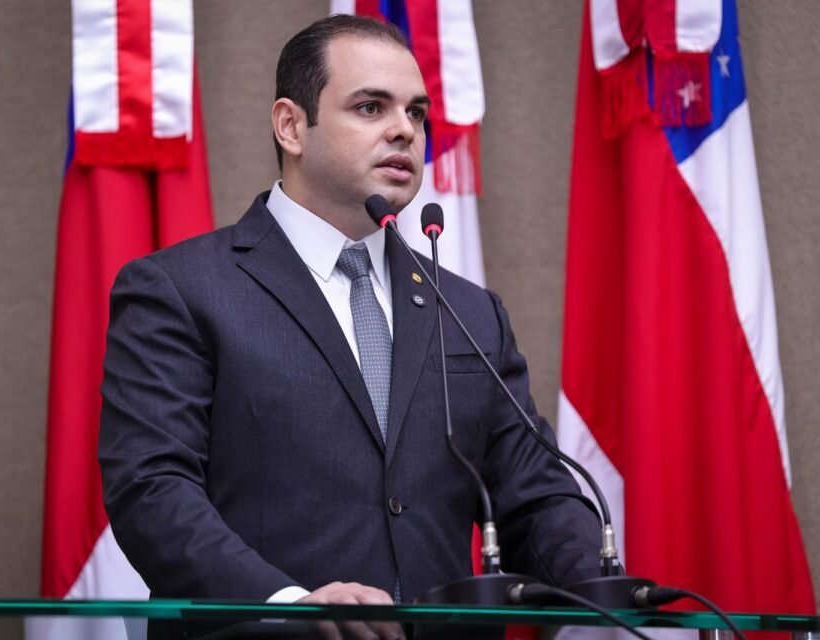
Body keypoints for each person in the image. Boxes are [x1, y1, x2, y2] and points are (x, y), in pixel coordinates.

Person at [99, 13, 602, 638]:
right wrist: (289, 604)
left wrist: (602, 592)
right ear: (291, 126)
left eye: (416, 113)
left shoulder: (470, 311)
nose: (405, 129)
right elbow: (151, 491)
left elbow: (535, 498)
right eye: (371, 107)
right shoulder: (180, 290)